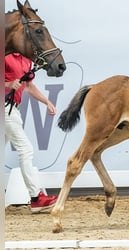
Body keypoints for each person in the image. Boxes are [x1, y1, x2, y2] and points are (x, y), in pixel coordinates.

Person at [5, 53, 58, 213]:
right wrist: (8, 84)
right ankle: (36, 198)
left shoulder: (26, 59)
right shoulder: (5, 55)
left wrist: (47, 101)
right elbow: (10, 84)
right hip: (5, 107)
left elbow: (28, 86)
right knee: (25, 149)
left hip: (13, 108)